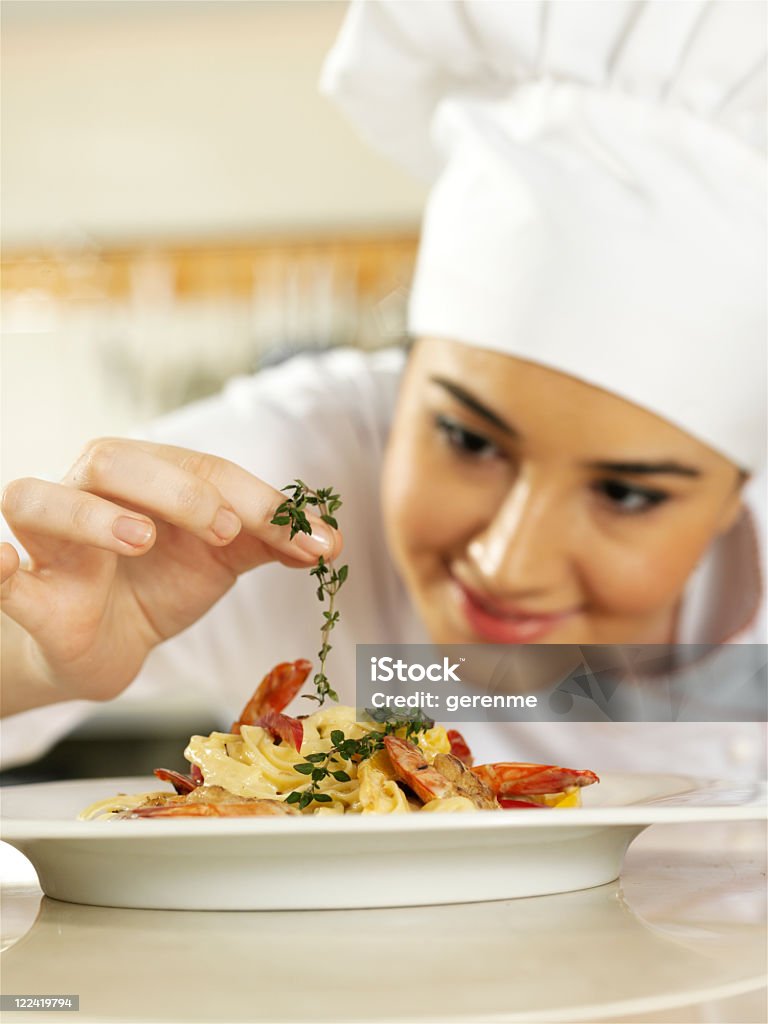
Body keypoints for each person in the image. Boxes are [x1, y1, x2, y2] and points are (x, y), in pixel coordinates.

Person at [1, 0, 765, 777]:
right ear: (405, 377)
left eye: (627, 494)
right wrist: (34, 661)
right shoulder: (290, 479)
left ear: (739, 491)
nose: (508, 564)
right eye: (468, 440)